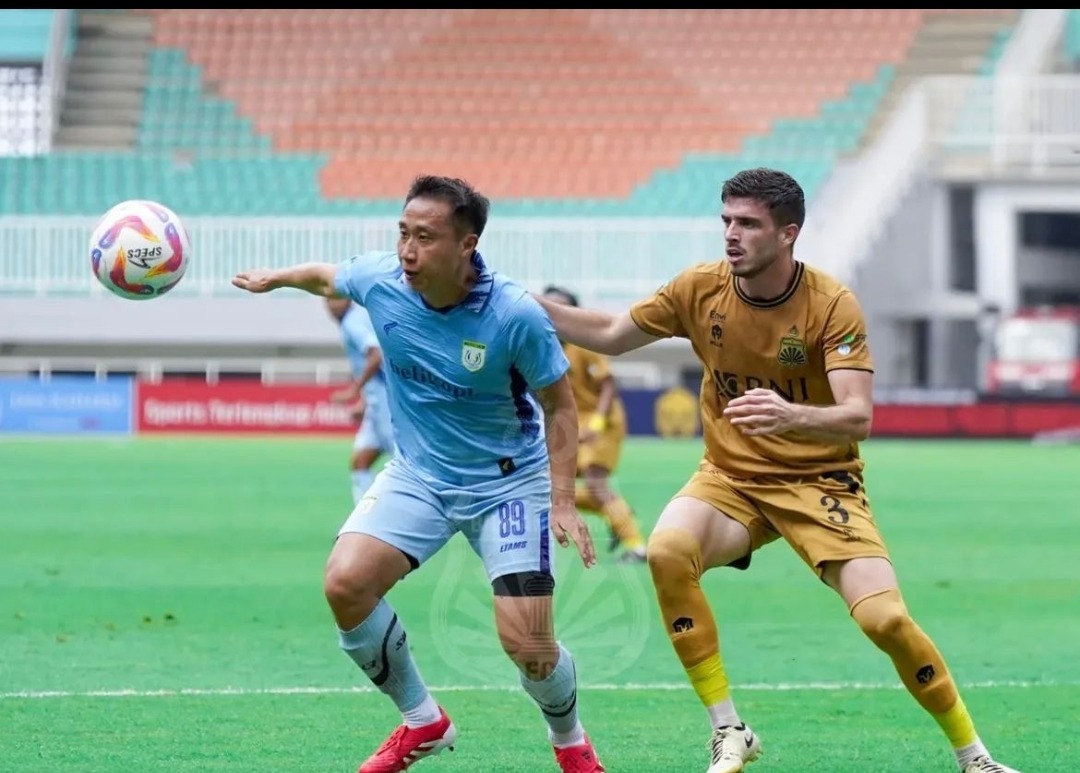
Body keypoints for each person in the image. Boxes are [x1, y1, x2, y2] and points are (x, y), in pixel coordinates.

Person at [534, 168, 1020, 773]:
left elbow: (857, 417)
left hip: (820, 482)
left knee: (886, 619)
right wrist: (516, 300)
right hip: (730, 479)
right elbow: (607, 333)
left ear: (787, 234)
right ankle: (729, 729)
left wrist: (791, 414)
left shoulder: (831, 305)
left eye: (748, 224)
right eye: (727, 222)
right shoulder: (699, 288)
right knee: (666, 551)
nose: (732, 235)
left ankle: (974, 758)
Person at [232, 175, 606, 773]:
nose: (408, 249)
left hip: (508, 484)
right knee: (345, 583)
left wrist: (562, 500)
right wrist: (276, 278)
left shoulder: (514, 314)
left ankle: (571, 743)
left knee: (529, 648)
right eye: (403, 233)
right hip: (420, 475)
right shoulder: (381, 279)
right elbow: (326, 277)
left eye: (425, 237)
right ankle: (422, 721)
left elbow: (562, 406)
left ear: (467, 245)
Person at [542, 285, 647, 564]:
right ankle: (614, 510)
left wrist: (598, 424)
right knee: (550, 485)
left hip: (603, 420)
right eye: (547, 306)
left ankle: (636, 546)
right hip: (571, 423)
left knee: (594, 480)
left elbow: (608, 385)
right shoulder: (540, 346)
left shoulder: (583, 346)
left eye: (559, 307)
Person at [325, 297, 395, 504]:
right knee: (360, 462)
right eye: (327, 300)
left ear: (348, 300)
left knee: (404, 464)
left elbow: (376, 355)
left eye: (336, 299)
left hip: (388, 405)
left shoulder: (352, 322)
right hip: (376, 405)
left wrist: (354, 390)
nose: (332, 305)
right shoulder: (359, 317)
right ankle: (364, 520)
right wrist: (364, 404)